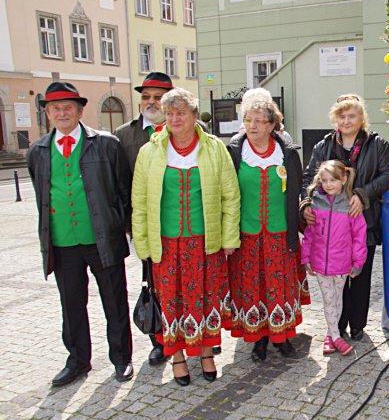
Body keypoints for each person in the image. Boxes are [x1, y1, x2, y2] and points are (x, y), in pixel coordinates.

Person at [27, 82, 133, 386]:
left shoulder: (107, 144)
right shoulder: (38, 151)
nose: (62, 113)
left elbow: (123, 191)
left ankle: (121, 358)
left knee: (114, 301)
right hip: (62, 243)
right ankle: (77, 361)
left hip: (103, 239)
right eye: (55, 108)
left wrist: (120, 227)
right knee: (71, 304)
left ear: (80, 110)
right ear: (48, 113)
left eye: (68, 107)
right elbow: (42, 195)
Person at [131, 88, 240, 386]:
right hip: (166, 244)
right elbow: (139, 202)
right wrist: (142, 243)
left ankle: (206, 353)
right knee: (171, 301)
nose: (175, 119)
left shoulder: (215, 148)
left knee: (207, 298)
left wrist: (229, 237)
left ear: (194, 116)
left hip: (207, 241)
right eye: (170, 113)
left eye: (181, 113)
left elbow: (231, 196)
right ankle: (177, 357)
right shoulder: (150, 151)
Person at [302, 94, 389, 341]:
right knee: (334, 277)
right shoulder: (324, 146)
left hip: (364, 221)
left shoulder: (377, 145)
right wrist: (306, 204)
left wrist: (363, 194)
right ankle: (337, 326)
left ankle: (358, 324)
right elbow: (309, 177)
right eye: (341, 116)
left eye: (351, 115)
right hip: (329, 227)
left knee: (360, 276)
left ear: (361, 118)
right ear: (335, 119)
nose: (346, 120)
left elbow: (388, 176)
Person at [224, 98, 303, 363]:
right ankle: (258, 338)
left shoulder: (288, 153)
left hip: (279, 233)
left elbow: (297, 192)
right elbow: (225, 193)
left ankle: (281, 336)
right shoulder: (235, 152)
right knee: (252, 287)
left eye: (259, 120)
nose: (252, 125)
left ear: (272, 124)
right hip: (246, 234)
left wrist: (304, 216)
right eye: (248, 120)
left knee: (279, 286)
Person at [115, 71, 174, 366]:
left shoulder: (188, 127)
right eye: (146, 97)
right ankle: (158, 339)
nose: (151, 102)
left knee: (187, 281)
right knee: (152, 282)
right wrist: (130, 226)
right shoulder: (124, 135)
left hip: (183, 223)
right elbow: (120, 184)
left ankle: (193, 334)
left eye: (158, 97)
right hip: (145, 225)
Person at [301, 160, 368, 356]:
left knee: (337, 300)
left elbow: (359, 237)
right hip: (320, 263)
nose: (328, 184)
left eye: (333, 180)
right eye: (324, 180)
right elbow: (309, 234)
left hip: (342, 265)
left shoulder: (350, 205)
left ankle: (331, 335)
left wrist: (358, 262)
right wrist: (306, 258)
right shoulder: (315, 204)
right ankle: (336, 337)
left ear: (344, 179)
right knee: (329, 300)